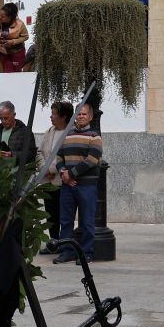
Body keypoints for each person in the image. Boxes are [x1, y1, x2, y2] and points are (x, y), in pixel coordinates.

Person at [54, 102, 102, 263]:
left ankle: (87, 252)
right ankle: (67, 251)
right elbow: (59, 157)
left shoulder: (95, 137)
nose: (80, 116)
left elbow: (92, 160)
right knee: (65, 220)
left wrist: (72, 174)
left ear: (90, 116)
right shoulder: (66, 135)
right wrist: (63, 173)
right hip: (68, 185)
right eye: (78, 114)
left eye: (84, 114)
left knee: (87, 221)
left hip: (86, 186)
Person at [36, 101, 73, 253]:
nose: (51, 117)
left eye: (54, 114)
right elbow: (39, 152)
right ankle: (53, 243)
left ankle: (63, 243)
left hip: (61, 181)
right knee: (50, 215)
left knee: (62, 215)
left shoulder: (70, 133)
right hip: (48, 181)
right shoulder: (49, 131)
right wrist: (44, 169)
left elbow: (67, 157)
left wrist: (53, 170)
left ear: (63, 117)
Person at [0, 3, 29, 73]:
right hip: (3, 52)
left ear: (10, 17)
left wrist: (13, 41)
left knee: (16, 73)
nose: (0, 18)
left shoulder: (20, 24)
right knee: (7, 72)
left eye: (3, 16)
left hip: (17, 52)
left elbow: (25, 36)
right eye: (0, 15)